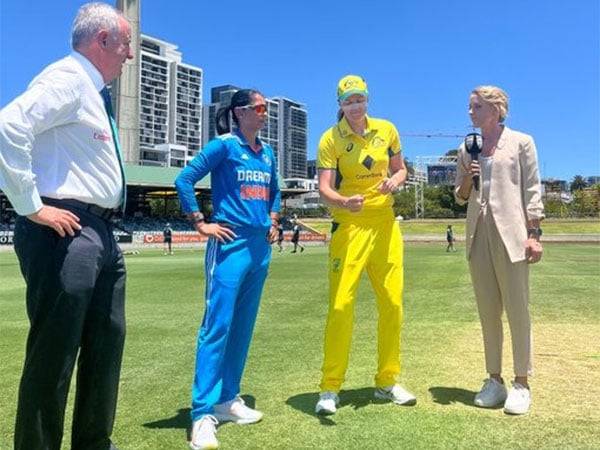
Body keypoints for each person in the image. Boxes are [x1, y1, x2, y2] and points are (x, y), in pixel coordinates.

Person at [0, 3, 132, 449]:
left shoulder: (93, 92)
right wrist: (31, 206)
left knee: (105, 348)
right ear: (103, 41)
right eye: (126, 44)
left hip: (100, 231)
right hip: (64, 228)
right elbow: (9, 125)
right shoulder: (68, 78)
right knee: (54, 356)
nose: (129, 54)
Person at [175, 88, 281, 449]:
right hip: (229, 245)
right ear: (240, 112)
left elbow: (275, 192)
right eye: (260, 108)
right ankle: (202, 413)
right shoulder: (223, 146)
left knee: (243, 326)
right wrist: (200, 222)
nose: (265, 113)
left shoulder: (267, 152)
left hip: (259, 246)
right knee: (216, 327)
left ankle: (227, 400)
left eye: (267, 108)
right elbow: (184, 179)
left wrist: (274, 218)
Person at [315, 75, 415, 415]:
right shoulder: (330, 139)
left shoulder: (387, 129)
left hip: (385, 225)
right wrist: (344, 203)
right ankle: (330, 388)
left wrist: (395, 181)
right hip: (350, 226)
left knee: (392, 305)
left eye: (360, 99)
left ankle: (387, 382)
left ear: (367, 100)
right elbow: (324, 189)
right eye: (349, 100)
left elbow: (402, 170)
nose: (355, 106)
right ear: (340, 104)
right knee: (341, 306)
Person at [454, 85, 544, 415]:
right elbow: (461, 195)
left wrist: (534, 233)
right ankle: (494, 380)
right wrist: (468, 174)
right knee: (488, 312)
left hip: (514, 235)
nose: (470, 112)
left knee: (518, 311)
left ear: (495, 109)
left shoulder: (522, 142)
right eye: (469, 106)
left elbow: (532, 190)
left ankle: (522, 383)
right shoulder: (467, 149)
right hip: (478, 234)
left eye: (476, 106)